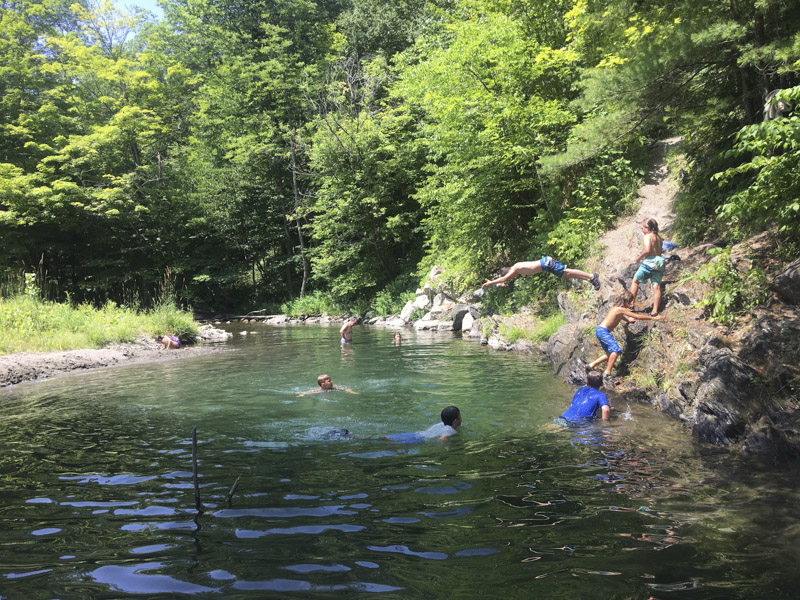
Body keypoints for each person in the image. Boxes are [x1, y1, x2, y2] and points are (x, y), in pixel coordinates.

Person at [588, 290, 663, 382]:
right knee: (616, 350)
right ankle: (607, 373)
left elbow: (619, 316)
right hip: (603, 331)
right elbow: (637, 316)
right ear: (626, 302)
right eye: (630, 302)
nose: (631, 305)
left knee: (609, 354)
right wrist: (653, 318)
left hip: (600, 330)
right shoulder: (620, 309)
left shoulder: (615, 307)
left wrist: (628, 320)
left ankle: (590, 365)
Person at [482, 257, 600, 291]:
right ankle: (590, 278)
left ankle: (591, 276)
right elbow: (504, 279)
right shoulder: (516, 268)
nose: (511, 278)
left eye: (509, 276)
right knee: (566, 274)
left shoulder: (515, 267)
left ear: (508, 271)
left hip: (546, 264)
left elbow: (504, 280)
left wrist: (490, 283)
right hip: (546, 265)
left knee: (567, 272)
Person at [630, 218, 665, 316]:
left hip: (650, 262)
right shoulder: (658, 238)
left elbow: (647, 250)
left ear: (648, 228)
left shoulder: (647, 236)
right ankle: (654, 311)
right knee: (656, 286)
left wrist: (637, 258)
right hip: (660, 262)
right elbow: (659, 251)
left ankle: (631, 304)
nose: (642, 230)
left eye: (642, 228)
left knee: (635, 280)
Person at [387, 406, 462, 443]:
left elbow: (427, 430)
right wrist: (448, 447)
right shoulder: (451, 430)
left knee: (388, 439)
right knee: (394, 443)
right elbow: (442, 438)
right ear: (455, 421)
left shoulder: (441, 424)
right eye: (460, 415)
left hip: (417, 434)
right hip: (420, 440)